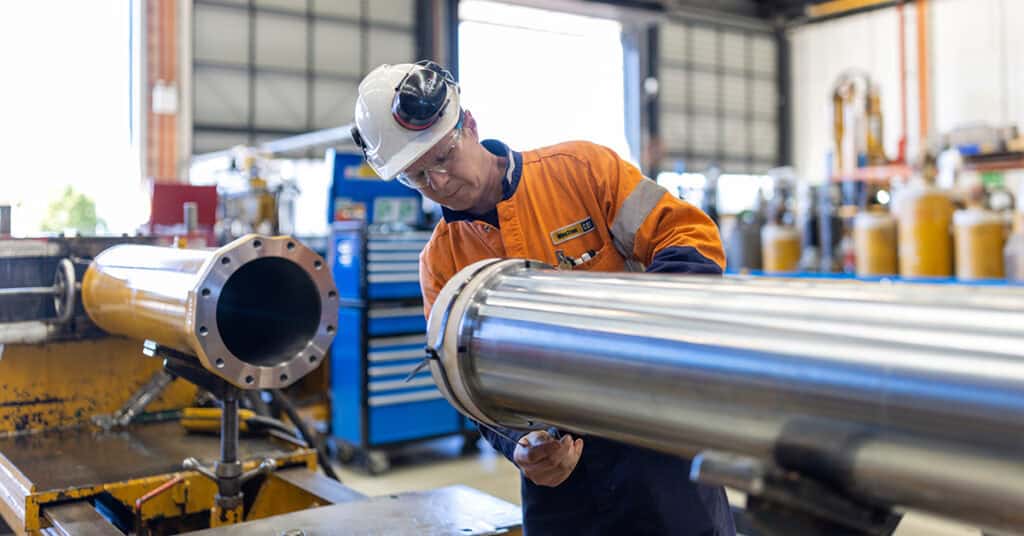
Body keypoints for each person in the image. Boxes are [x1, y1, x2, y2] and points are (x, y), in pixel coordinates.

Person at [351, 60, 734, 535]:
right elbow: (463, 379)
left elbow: (689, 236)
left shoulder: (581, 171)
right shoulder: (440, 262)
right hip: (560, 475)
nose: (439, 182)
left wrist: (645, 336)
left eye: (443, 157)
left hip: (655, 438)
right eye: (417, 177)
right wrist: (520, 444)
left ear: (468, 125)